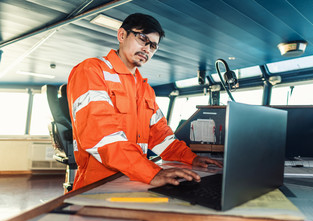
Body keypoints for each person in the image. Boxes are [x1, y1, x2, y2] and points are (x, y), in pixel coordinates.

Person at [67, 13, 222, 191]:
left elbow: (160, 136)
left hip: (133, 177)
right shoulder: (91, 71)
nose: (147, 49)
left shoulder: (145, 89)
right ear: (121, 35)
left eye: (153, 45)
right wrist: (150, 172)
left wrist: (191, 158)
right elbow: (102, 135)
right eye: (142, 39)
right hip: (98, 184)